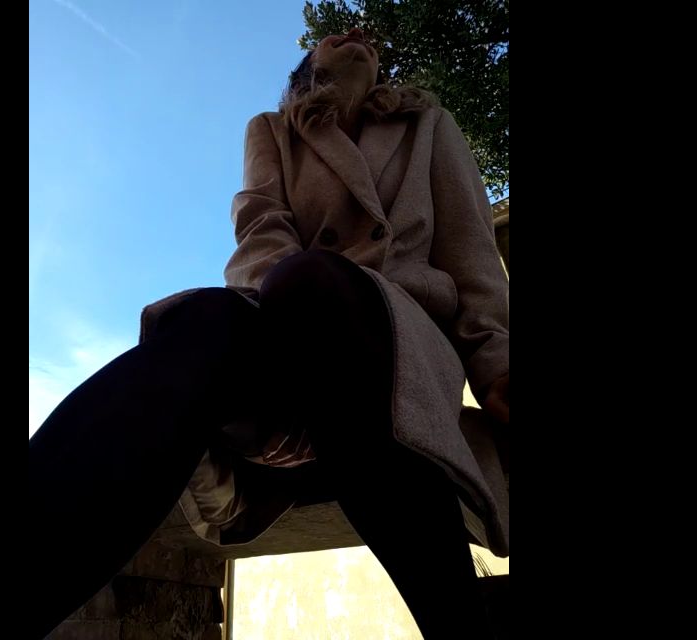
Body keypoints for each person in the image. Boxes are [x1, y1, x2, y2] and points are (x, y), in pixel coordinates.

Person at [28, 27, 509, 639]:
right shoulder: (272, 130)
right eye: (334, 36)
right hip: (288, 361)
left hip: (392, 354)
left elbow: (471, 255)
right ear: (305, 69)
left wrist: (498, 367)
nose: (355, 35)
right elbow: (261, 231)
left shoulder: (427, 125)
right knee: (205, 318)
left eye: (366, 38)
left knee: (315, 283)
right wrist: (284, 338)